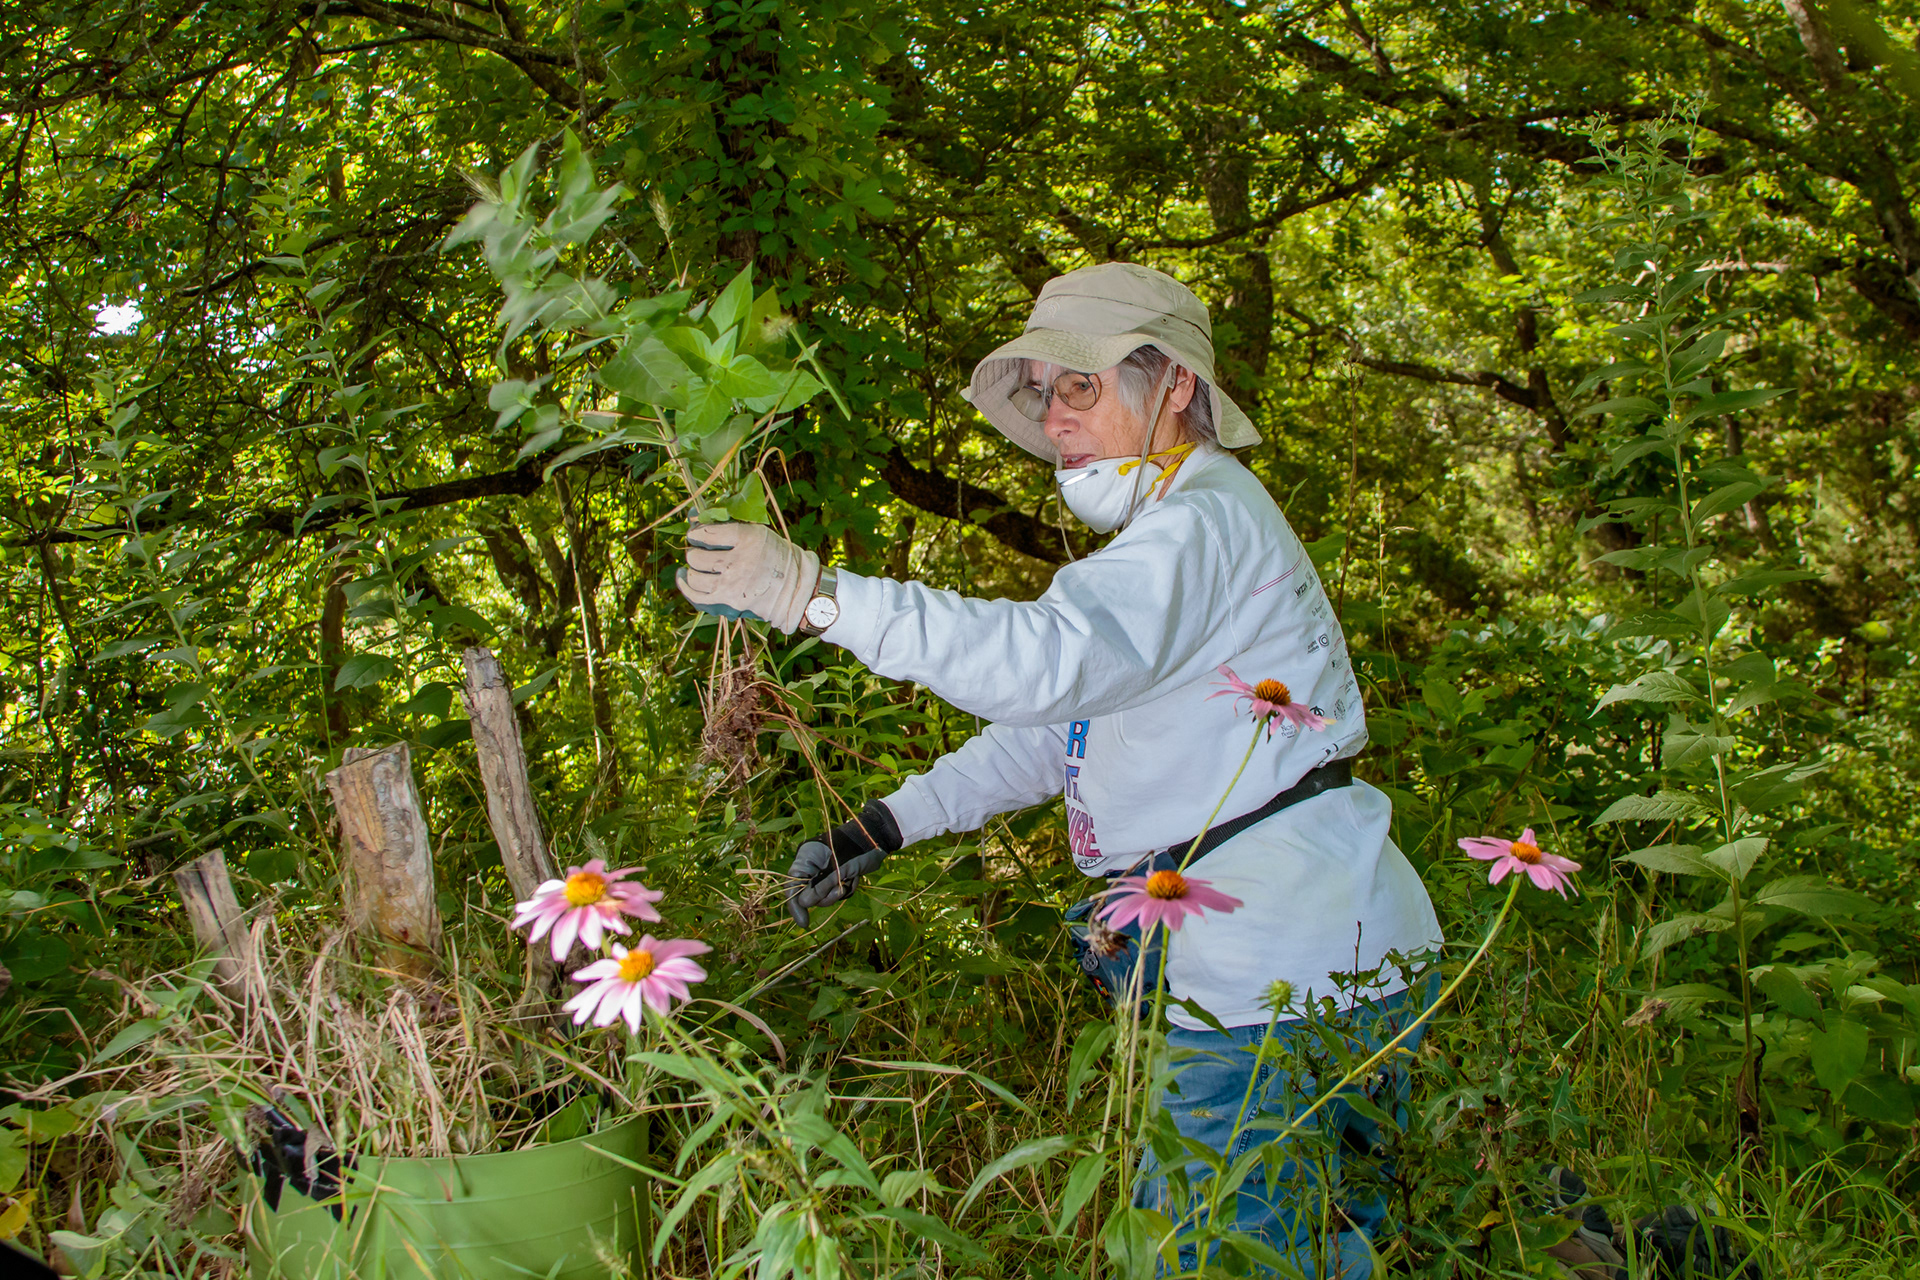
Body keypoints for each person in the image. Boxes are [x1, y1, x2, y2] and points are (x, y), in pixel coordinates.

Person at [676, 262, 1443, 1277]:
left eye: (1079, 385)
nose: (1055, 418)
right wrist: (885, 824)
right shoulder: (1170, 540)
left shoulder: (1198, 525)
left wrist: (813, 597)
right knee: (1348, 1245)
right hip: (1325, 961)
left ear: (1173, 383)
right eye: (1043, 391)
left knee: (1208, 1256)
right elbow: (1056, 728)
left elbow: (1044, 660)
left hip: (1273, 989)